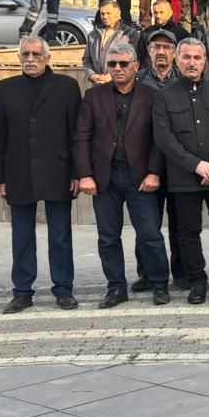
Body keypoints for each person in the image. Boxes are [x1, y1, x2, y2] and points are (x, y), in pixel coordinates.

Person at [73, 41, 169, 307]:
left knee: (150, 234)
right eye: (112, 64)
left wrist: (154, 172)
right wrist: (85, 175)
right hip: (105, 177)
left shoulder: (152, 96)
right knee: (108, 237)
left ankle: (159, 284)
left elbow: (160, 139)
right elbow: (81, 137)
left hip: (140, 177)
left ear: (136, 66)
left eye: (123, 64)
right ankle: (116, 288)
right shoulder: (94, 97)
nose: (117, 68)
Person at [0, 35, 82, 312]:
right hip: (19, 171)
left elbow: (76, 133)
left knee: (60, 236)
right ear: (19, 58)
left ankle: (64, 289)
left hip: (59, 170)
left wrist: (78, 172)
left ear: (47, 58)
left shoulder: (67, 86)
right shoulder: (5, 88)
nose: (30, 59)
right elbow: (0, 134)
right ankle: (22, 291)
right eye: (25, 55)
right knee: (22, 237)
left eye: (36, 55)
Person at [153, 38, 209, 303]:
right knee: (188, 232)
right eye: (187, 57)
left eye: (197, 58)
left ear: (205, 61)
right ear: (176, 60)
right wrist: (196, 165)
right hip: (184, 178)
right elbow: (164, 138)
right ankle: (197, 282)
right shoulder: (164, 96)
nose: (192, 62)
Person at [83, 0, 140, 83]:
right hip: (98, 87)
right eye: (102, 14)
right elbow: (86, 60)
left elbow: (135, 61)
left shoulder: (130, 34)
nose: (105, 17)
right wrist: (92, 75)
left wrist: (113, 75)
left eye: (108, 13)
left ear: (118, 14)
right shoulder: (93, 35)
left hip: (122, 86)